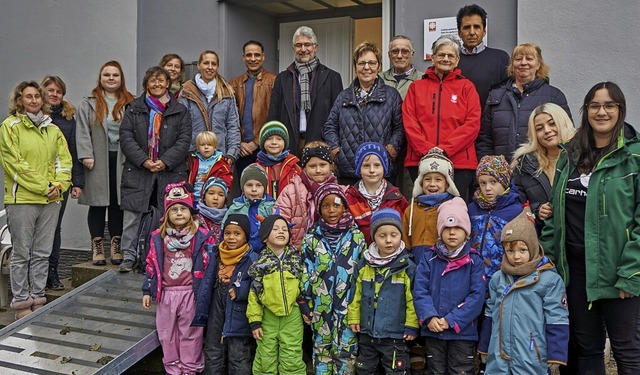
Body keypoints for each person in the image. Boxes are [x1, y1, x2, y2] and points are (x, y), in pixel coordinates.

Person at [540, 82, 640, 374]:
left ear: (620, 110)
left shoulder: (633, 156)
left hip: (617, 271)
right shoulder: (570, 154)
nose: (602, 111)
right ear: (586, 111)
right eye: (595, 105)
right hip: (575, 271)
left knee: (626, 351)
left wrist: (631, 272)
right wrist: (551, 260)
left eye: (610, 105)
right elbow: (555, 212)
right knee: (586, 349)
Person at [0, 81, 72, 319]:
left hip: (51, 200)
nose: (33, 100)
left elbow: (65, 163)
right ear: (19, 100)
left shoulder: (53, 130)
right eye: (28, 96)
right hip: (22, 200)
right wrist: (46, 187)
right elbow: (15, 165)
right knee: (22, 253)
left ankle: (38, 298)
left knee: (42, 252)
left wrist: (59, 186)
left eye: (37, 96)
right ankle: (21, 302)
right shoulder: (10, 127)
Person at [478, 207, 569, 374]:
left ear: (533, 247)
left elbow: (557, 318)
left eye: (522, 250)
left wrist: (556, 355)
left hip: (531, 357)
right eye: (510, 251)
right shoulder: (499, 278)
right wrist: (484, 347)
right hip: (498, 357)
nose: (516, 257)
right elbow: (490, 313)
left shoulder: (548, 280)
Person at [118, 66, 192, 272]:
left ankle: (163, 256)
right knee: (133, 215)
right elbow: (126, 138)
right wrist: (144, 160)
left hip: (170, 172)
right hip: (138, 170)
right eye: (153, 81)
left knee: (167, 215)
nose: (157, 84)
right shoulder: (133, 108)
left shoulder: (180, 110)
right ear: (146, 84)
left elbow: (184, 140)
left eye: (161, 80)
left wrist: (165, 161)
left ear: (168, 83)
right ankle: (129, 256)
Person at [142, 182, 213, 375]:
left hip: (190, 292)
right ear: (167, 214)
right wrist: (147, 290)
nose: (179, 213)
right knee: (166, 333)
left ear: (191, 212)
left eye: (183, 208)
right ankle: (173, 369)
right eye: (174, 209)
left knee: (190, 333)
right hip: (166, 293)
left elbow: (208, 266)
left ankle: (190, 369)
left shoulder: (201, 236)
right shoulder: (159, 237)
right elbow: (151, 264)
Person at [403, 35, 481, 203]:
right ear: (433, 57)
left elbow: (472, 124)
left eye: (450, 55)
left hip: (459, 163)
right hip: (420, 160)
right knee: (423, 211)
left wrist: (444, 150)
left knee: (455, 212)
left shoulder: (467, 87)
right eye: (441, 54)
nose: (445, 59)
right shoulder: (416, 87)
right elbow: (409, 122)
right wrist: (427, 150)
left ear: (457, 60)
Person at [412, 197, 485, 375]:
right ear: (440, 231)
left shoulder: (474, 261)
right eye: (447, 228)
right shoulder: (429, 258)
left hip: (462, 333)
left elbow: (477, 296)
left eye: (458, 228)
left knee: (461, 370)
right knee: (435, 371)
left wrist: (451, 320)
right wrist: (430, 317)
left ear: (466, 232)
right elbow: (420, 291)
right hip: (433, 331)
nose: (452, 233)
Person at [301, 183, 366, 375]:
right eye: (326, 206)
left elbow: (362, 275)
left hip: (348, 308)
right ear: (319, 209)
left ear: (345, 207)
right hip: (320, 308)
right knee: (322, 351)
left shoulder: (356, 237)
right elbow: (305, 271)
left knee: (346, 351)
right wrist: (305, 303)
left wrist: (359, 305)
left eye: (336, 205)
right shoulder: (311, 238)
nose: (331, 210)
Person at [76, 60, 134, 266]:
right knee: (98, 203)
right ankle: (97, 247)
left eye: (115, 75)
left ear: (121, 78)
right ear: (100, 78)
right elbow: (82, 130)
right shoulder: (89, 102)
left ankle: (116, 247)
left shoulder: (130, 102)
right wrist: (86, 154)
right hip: (96, 159)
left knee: (118, 203)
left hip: (122, 159)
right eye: (107, 75)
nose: (111, 78)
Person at [348, 208, 418, 375]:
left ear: (401, 235)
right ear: (373, 237)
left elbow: (413, 300)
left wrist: (412, 325)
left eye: (394, 235)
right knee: (365, 370)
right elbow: (355, 294)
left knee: (396, 371)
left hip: (395, 333)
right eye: (382, 236)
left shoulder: (407, 266)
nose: (388, 240)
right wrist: (354, 317)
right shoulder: (364, 264)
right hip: (367, 332)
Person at [324, 41, 404, 185]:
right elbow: (330, 126)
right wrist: (336, 150)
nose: (366, 67)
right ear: (355, 67)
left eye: (372, 63)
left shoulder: (392, 95)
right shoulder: (343, 96)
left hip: (381, 168)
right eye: (361, 63)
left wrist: (393, 149)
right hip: (349, 169)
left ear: (378, 66)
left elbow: (400, 127)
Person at [476, 43, 572, 160]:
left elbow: (567, 135)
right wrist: (489, 165)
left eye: (529, 59)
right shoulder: (496, 96)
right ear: (512, 65)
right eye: (518, 59)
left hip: (540, 169)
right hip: (502, 172)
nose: (523, 63)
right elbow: (485, 138)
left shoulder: (554, 96)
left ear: (538, 64)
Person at [196, 214, 258, 375]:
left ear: (246, 236)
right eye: (227, 233)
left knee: (239, 353)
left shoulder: (252, 258)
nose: (231, 237)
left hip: (239, 310)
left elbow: (259, 285)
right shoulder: (216, 254)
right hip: (216, 303)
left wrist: (242, 290)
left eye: (237, 233)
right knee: (213, 347)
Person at [268, 25, 343, 156]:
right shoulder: (282, 78)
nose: (303, 49)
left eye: (307, 44)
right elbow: (274, 115)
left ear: (315, 47)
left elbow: (339, 117)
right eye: (298, 45)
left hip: (321, 144)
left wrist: (335, 145)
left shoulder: (332, 77)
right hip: (289, 144)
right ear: (293, 49)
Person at [247, 214, 307, 375]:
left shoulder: (297, 259)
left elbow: (304, 286)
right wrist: (255, 321)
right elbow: (254, 294)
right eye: (275, 229)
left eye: (284, 229)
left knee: (292, 355)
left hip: (292, 316)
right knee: (265, 356)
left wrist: (306, 309)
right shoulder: (260, 263)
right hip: (268, 317)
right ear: (265, 237)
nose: (281, 232)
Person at [41, 75, 85, 290]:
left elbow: (74, 152)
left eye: (58, 91)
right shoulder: (35, 118)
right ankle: (37, 274)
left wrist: (77, 182)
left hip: (60, 183)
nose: (54, 94)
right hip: (36, 183)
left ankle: (52, 273)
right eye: (50, 90)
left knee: (54, 229)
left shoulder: (69, 119)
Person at [511, 103, 575, 232]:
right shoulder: (525, 164)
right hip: (543, 240)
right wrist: (537, 210)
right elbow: (515, 204)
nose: (547, 130)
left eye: (552, 123)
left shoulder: (583, 158)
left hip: (577, 238)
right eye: (539, 128)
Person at [469, 155, 522, 287]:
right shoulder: (472, 209)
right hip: (473, 277)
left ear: (504, 182)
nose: (487, 188)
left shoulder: (515, 211)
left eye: (493, 182)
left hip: (502, 279)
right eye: (483, 183)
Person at [275, 141, 339, 249]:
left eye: (322, 165)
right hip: (297, 252)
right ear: (304, 168)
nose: (318, 170)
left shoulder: (339, 192)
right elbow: (280, 223)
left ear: (331, 166)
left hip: (332, 252)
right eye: (312, 166)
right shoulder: (291, 192)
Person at [180, 50, 240, 160]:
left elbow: (233, 126)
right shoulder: (187, 91)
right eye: (206, 63)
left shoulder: (227, 92)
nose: (210, 67)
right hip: (193, 156)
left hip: (221, 156)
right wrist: (186, 154)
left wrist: (232, 154)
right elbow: (182, 127)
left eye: (214, 64)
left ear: (217, 67)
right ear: (199, 65)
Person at [403, 147, 460, 262]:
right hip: (416, 265)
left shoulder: (453, 208)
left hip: (443, 264)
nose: (432, 184)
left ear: (447, 183)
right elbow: (405, 244)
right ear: (420, 182)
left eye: (438, 180)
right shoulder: (411, 210)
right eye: (427, 179)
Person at [345, 142, 408, 245]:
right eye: (366, 166)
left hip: (390, 255)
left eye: (377, 165)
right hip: (359, 256)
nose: (372, 170)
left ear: (384, 167)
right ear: (359, 169)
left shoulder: (396, 198)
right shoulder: (350, 198)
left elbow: (405, 228)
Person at [230, 40, 276, 177]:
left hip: (267, 147)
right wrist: (239, 143)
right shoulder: (233, 84)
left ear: (263, 56)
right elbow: (229, 118)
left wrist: (257, 142)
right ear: (243, 57)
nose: (253, 59)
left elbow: (276, 115)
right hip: (242, 149)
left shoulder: (274, 81)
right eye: (249, 55)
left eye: (257, 55)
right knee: (245, 189)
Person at [456, 4, 510, 110]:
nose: (472, 32)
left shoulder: (500, 58)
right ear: (459, 33)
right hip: (459, 124)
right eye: (466, 27)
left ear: (484, 31)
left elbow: (509, 94)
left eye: (476, 27)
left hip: (492, 123)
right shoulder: (451, 61)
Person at [223, 163, 275, 253]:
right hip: (240, 253)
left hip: (266, 252)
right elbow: (224, 229)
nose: (254, 189)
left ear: (264, 187)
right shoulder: (235, 207)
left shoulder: (271, 207)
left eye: (258, 185)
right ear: (243, 187)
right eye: (249, 185)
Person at [255, 120, 302, 199]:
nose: (274, 142)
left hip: (287, 210)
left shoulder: (295, 168)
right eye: (269, 138)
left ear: (285, 143)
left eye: (279, 139)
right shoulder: (256, 168)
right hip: (263, 210)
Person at [187, 130, 233, 203]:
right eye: (202, 145)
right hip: (193, 198)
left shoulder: (221, 162)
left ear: (215, 147)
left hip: (211, 200)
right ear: (198, 148)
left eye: (209, 145)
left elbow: (227, 180)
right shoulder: (193, 160)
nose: (206, 147)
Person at [379, 35, 423, 100]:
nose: (399, 56)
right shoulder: (379, 79)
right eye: (395, 52)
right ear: (389, 55)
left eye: (405, 52)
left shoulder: (423, 79)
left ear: (412, 55)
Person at [195, 177, 229, 243]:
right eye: (211, 193)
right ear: (204, 197)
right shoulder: (195, 217)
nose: (216, 198)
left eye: (221, 195)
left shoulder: (228, 218)